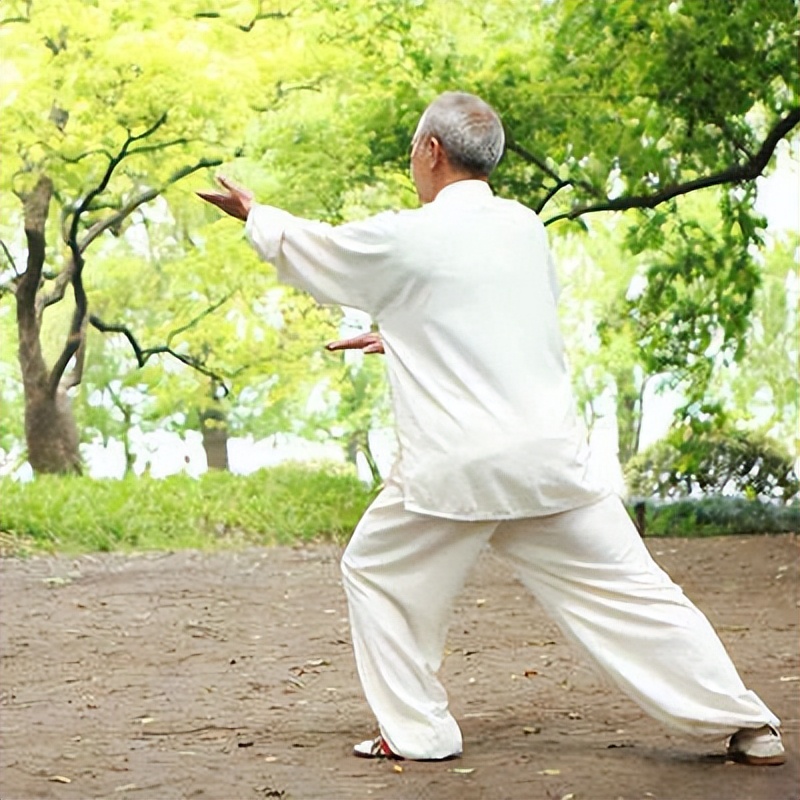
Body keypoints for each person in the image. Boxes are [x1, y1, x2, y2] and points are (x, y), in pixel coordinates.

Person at [197, 91, 785, 766]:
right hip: (549, 463)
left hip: (456, 470)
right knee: (637, 594)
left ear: (431, 151)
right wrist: (406, 339)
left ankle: (418, 732)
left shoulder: (410, 234)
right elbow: (495, 320)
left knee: (375, 571)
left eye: (413, 151)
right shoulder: (523, 229)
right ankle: (750, 724)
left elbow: (328, 252)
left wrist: (256, 214)